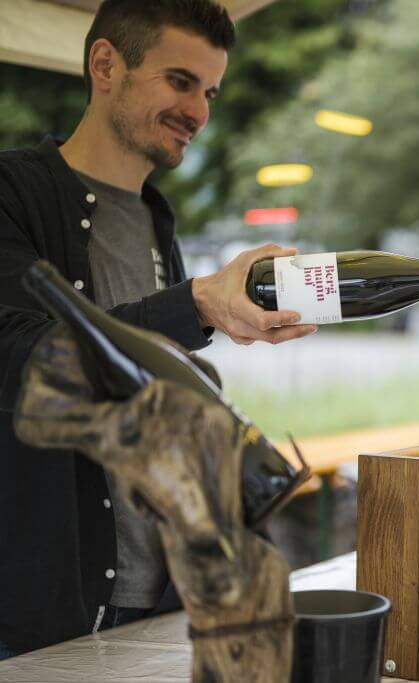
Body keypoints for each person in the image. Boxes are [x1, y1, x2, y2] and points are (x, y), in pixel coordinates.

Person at [0, 0, 316, 659]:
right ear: (105, 64)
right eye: (179, 81)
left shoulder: (155, 219)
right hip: (43, 613)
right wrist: (196, 302)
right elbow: (27, 363)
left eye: (209, 92)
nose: (199, 112)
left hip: (163, 599)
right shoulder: (12, 192)